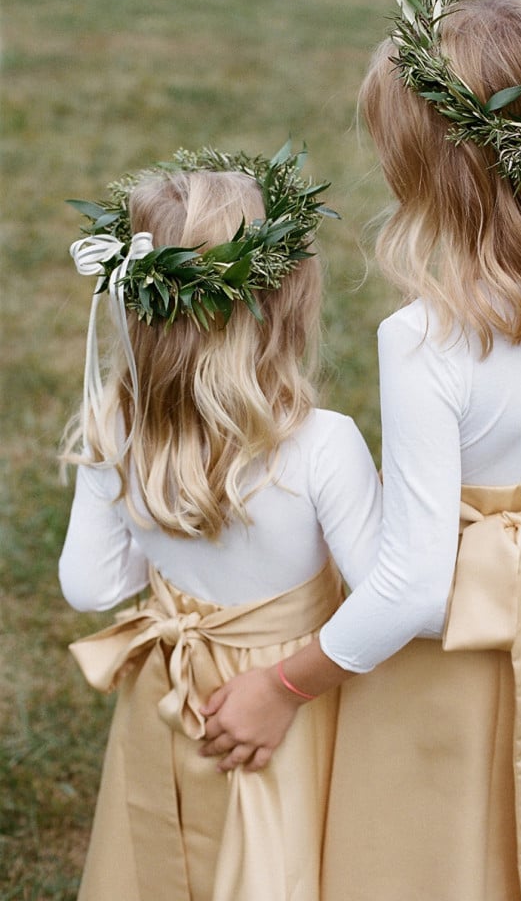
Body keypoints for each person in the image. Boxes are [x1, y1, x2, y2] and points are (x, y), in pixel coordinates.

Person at [198, 0, 521, 900]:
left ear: (428, 169)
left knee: (435, 860)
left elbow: (413, 587)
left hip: (444, 672)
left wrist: (279, 685)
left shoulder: (426, 342)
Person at [57, 144, 382, 901]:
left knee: (174, 854)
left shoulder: (116, 428)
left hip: (173, 692)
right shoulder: (321, 443)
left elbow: (89, 585)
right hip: (297, 694)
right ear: (287, 302)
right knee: (283, 859)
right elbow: (382, 591)